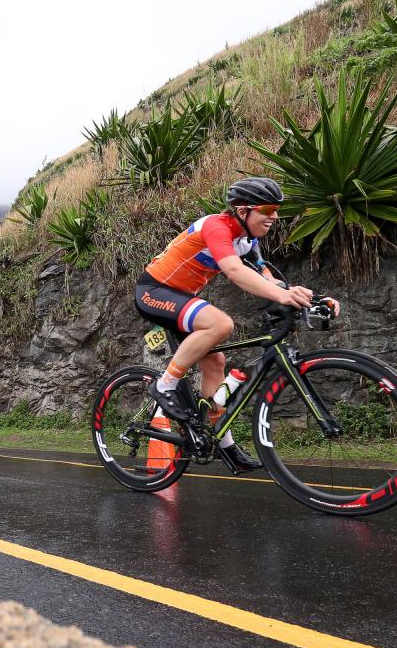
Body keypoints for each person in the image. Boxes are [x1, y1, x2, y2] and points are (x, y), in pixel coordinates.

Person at [133, 176, 339, 472]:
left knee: (216, 362)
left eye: (277, 210)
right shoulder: (217, 226)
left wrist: (310, 296)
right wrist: (282, 293)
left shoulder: (247, 240)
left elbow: (267, 277)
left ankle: (225, 446)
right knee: (220, 324)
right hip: (154, 292)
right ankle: (164, 386)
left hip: (181, 297)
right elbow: (233, 270)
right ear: (243, 211)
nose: (274, 216)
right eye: (267, 209)